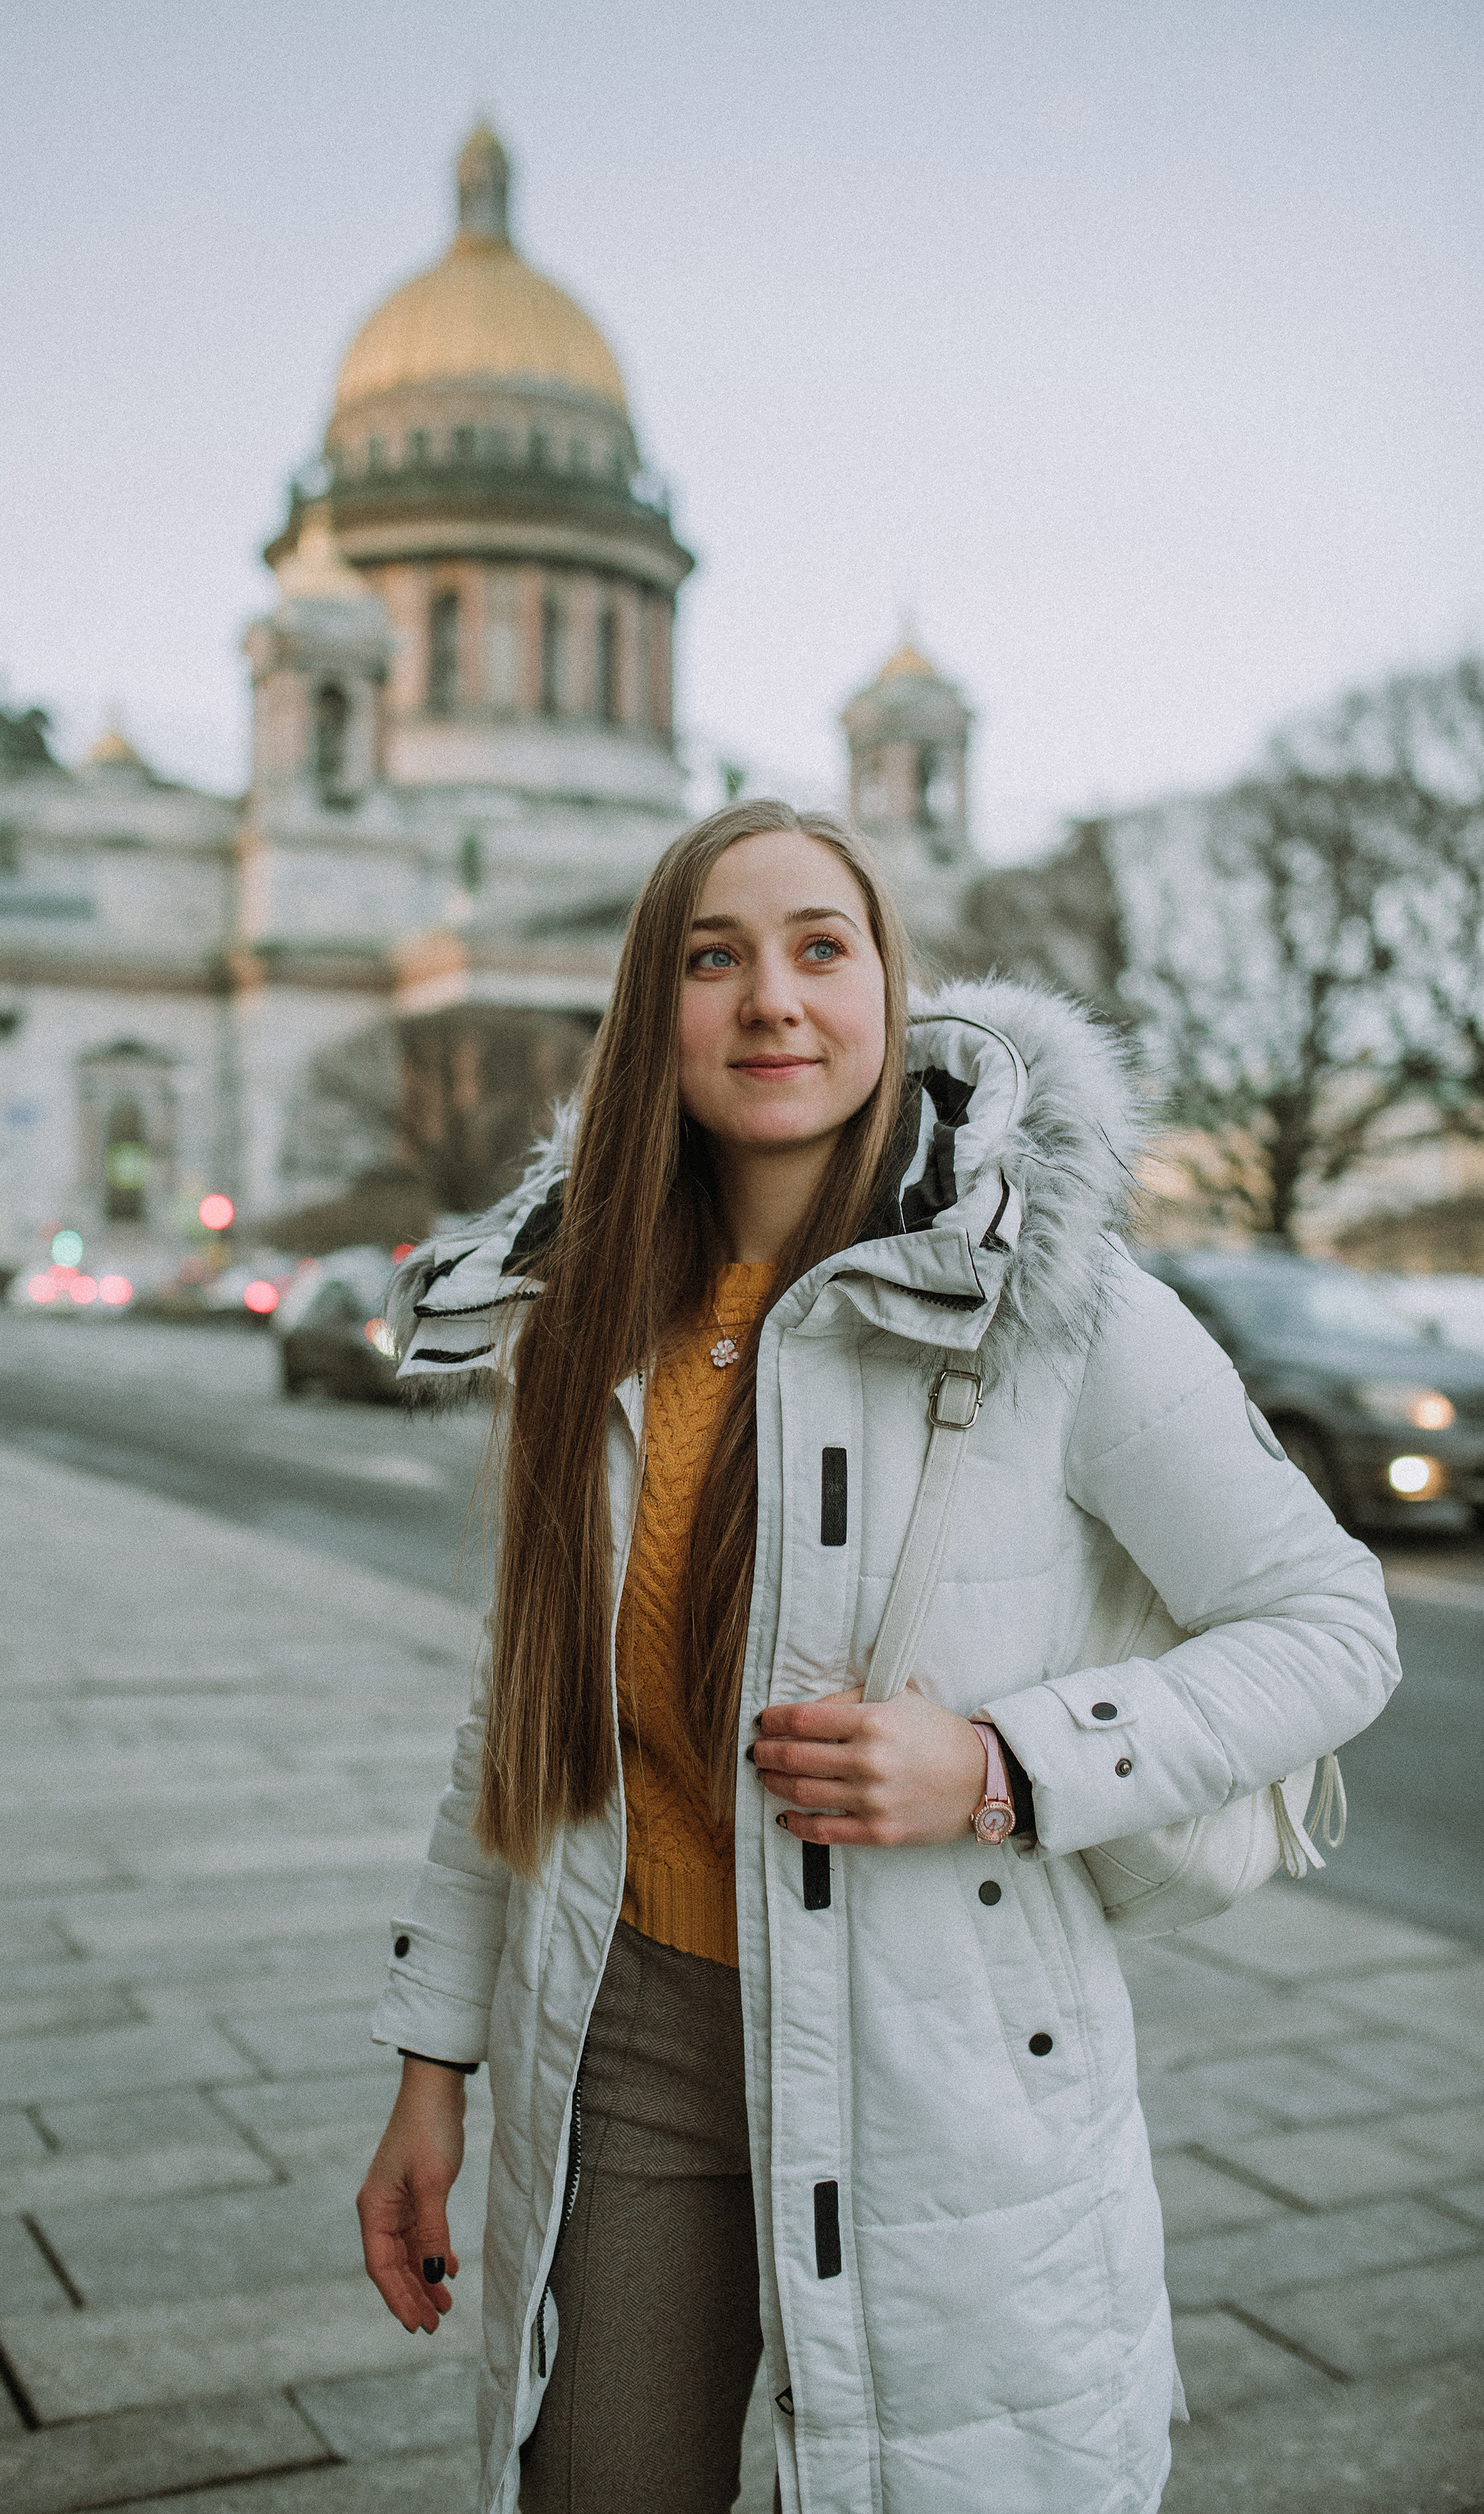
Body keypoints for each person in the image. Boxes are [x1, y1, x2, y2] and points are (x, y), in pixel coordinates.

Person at [357, 801, 1399, 2514]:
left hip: (946, 2047)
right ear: (654, 1011)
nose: (771, 998)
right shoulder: (581, 1319)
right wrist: (430, 2063)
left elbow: (1333, 1628)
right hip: (629, 2040)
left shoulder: (1055, 1301)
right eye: (716, 957)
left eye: (818, 948)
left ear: (888, 991)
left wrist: (1006, 1762)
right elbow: (522, 1725)